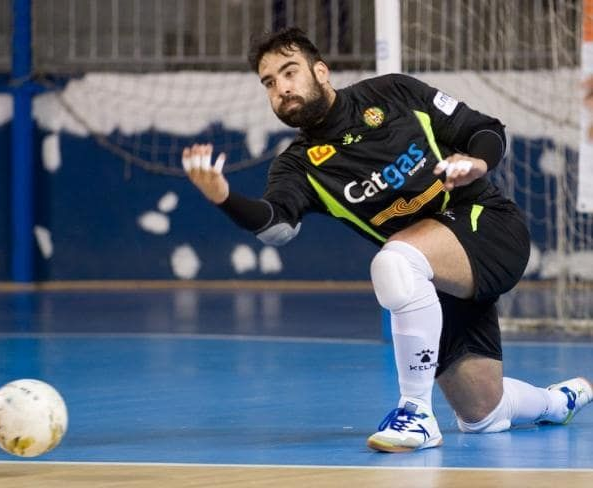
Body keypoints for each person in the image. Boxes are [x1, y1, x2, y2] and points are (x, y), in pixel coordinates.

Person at [181, 27, 593, 453]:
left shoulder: (393, 93)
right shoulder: (298, 166)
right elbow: (277, 227)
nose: (282, 88)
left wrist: (475, 161)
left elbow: (484, 128)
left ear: (321, 71)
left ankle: (415, 412)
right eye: (269, 83)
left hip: (487, 227)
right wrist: (224, 197)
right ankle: (556, 401)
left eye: (289, 72)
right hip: (434, 278)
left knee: (393, 262)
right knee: (483, 416)